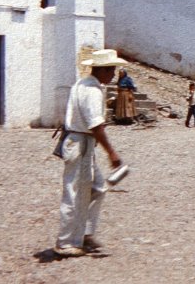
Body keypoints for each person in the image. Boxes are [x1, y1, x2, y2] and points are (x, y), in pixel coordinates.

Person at [55, 49, 125, 258]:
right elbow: (96, 125)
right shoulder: (92, 91)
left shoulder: (83, 84)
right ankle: (66, 241)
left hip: (82, 142)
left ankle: (85, 233)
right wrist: (111, 152)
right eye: (110, 70)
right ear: (101, 70)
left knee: (98, 188)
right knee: (75, 192)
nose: (113, 74)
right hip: (82, 143)